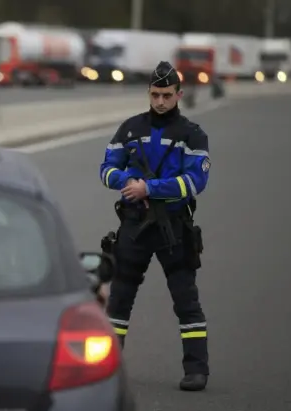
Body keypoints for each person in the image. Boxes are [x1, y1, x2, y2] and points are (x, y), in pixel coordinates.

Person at [98, 61, 210, 392]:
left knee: (185, 300)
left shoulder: (193, 135)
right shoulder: (129, 129)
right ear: (148, 93)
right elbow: (106, 168)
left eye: (166, 95)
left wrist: (150, 188)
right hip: (133, 226)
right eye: (155, 94)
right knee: (118, 300)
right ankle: (106, 369)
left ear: (179, 94)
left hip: (173, 227)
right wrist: (125, 179)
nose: (160, 101)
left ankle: (197, 370)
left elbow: (195, 181)